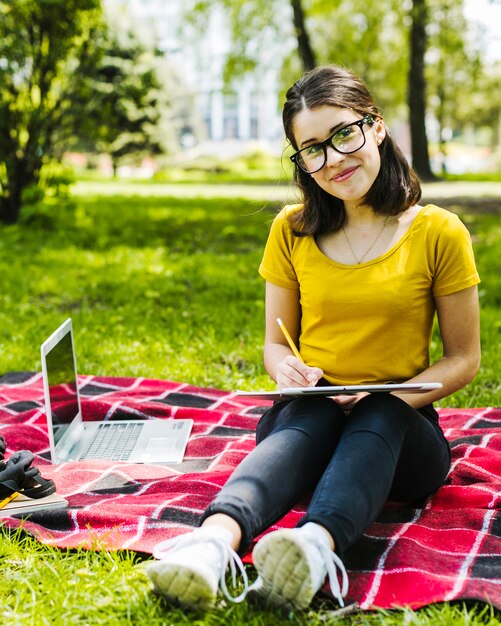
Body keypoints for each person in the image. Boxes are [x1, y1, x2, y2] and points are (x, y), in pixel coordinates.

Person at [145, 65, 481, 611]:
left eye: (344, 134)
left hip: (404, 430)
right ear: (300, 160)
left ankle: (312, 549)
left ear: (375, 127)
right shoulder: (291, 228)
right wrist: (286, 371)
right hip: (310, 414)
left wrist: (391, 393)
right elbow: (276, 344)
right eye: (313, 149)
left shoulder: (438, 231)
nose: (334, 160)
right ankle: (212, 545)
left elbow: (464, 359)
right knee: (315, 413)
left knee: (379, 408)